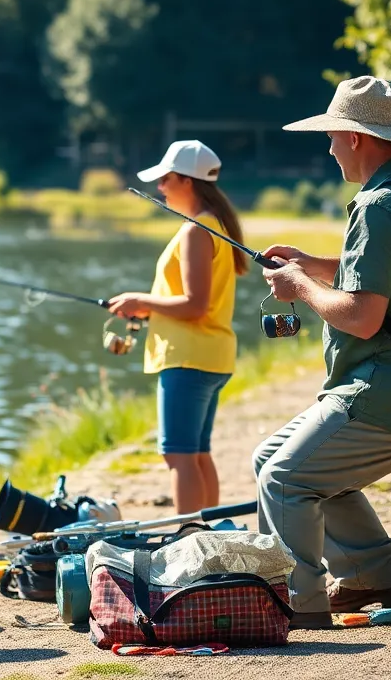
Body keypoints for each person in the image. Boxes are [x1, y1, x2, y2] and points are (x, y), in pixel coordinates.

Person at [257, 75, 391, 629]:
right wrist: (313, 264)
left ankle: (298, 605)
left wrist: (299, 286)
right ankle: (377, 575)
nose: (327, 146)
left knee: (285, 480)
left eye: (332, 135)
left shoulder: (379, 207)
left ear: (356, 137)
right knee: (271, 461)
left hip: (387, 394)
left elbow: (364, 316)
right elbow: (383, 280)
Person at [107, 140, 249, 513]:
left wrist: (142, 301)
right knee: (198, 453)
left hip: (188, 359)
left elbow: (195, 304)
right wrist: (150, 310)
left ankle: (189, 535)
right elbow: (195, 302)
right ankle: (212, 533)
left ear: (187, 181)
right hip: (210, 356)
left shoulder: (195, 231)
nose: (160, 188)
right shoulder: (213, 225)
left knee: (180, 457)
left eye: (166, 179)